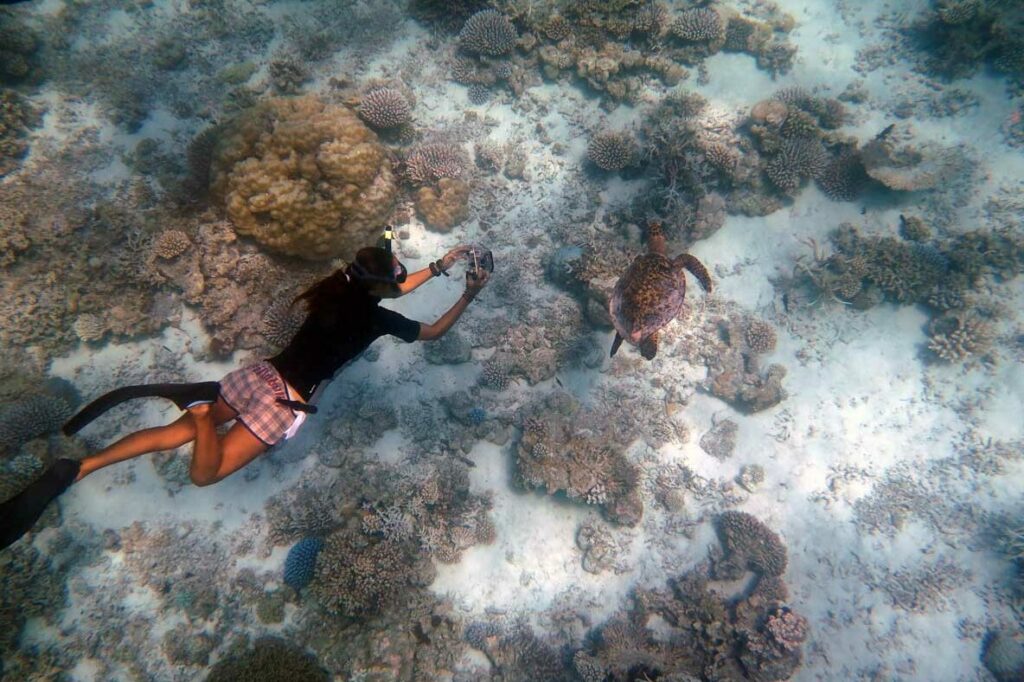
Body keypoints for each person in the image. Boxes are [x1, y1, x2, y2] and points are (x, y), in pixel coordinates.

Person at [0, 237, 490, 550]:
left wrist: (440, 265)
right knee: (204, 473)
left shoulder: (339, 285)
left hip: (259, 377)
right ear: (383, 286)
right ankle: (197, 415)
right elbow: (433, 331)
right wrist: (467, 293)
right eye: (399, 274)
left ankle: (80, 468)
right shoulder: (381, 317)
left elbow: (391, 286)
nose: (403, 279)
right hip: (282, 404)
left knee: (170, 437)